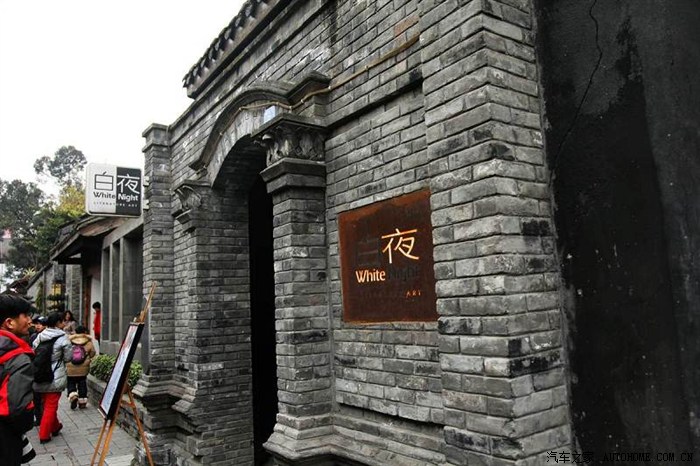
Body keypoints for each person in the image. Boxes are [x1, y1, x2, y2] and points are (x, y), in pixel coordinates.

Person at [0, 293, 37, 465]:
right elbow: (17, 410)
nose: (30, 321)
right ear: (9, 322)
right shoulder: (17, 359)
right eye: (26, 315)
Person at [32, 311, 72, 444]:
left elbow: (34, 351)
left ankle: (55, 427)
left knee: (47, 403)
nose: (64, 323)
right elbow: (68, 357)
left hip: (39, 374)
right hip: (55, 375)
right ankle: (44, 435)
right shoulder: (63, 338)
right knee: (50, 406)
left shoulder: (40, 336)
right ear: (58, 323)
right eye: (63, 321)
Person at [66, 325, 96, 409]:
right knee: (82, 383)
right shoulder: (88, 341)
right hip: (83, 368)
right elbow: (93, 353)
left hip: (70, 367)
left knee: (70, 382)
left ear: (75, 332)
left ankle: (73, 395)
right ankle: (82, 402)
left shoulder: (69, 340)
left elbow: (65, 352)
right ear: (85, 332)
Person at [29, 316, 47, 426]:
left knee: (45, 398)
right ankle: (39, 417)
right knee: (36, 397)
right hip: (35, 369)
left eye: (39, 324)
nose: (37, 326)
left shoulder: (48, 337)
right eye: (36, 324)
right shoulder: (33, 337)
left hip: (46, 370)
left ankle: (46, 418)